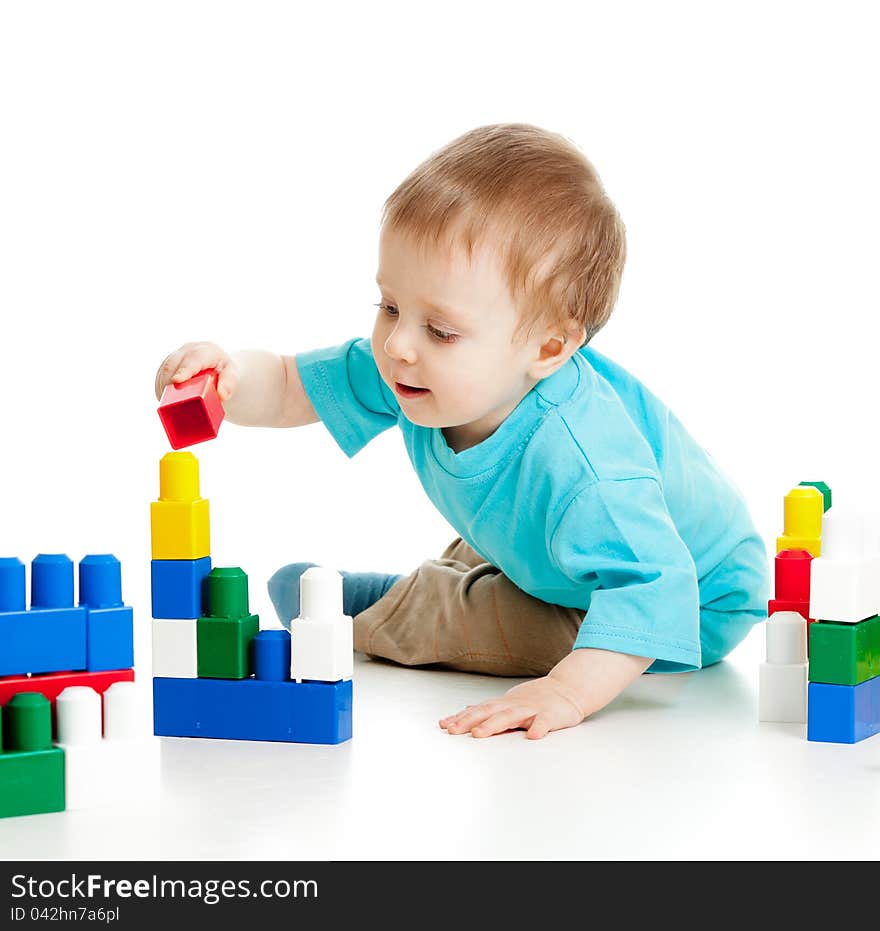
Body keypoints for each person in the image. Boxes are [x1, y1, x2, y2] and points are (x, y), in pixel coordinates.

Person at [154, 123, 769, 741]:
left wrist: (565, 691)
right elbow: (291, 385)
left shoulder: (585, 468)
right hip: (579, 548)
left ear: (549, 346)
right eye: (389, 307)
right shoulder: (421, 367)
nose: (397, 345)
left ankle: (391, 610)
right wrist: (229, 378)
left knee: (493, 622)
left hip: (688, 600)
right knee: (523, 535)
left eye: (440, 330)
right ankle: (474, 573)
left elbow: (654, 583)